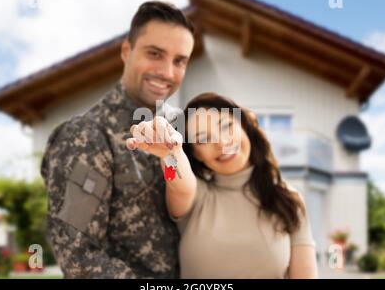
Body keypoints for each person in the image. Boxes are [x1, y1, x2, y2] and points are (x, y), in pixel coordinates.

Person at [40, 1, 195, 278]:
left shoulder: (172, 134)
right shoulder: (86, 135)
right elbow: (78, 258)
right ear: (127, 51)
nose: (168, 73)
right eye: (155, 53)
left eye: (179, 61)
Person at [126, 92, 318, 278]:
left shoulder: (288, 199)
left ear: (244, 126)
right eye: (202, 139)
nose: (222, 142)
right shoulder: (196, 197)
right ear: (196, 154)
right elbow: (177, 179)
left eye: (226, 126)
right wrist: (170, 154)